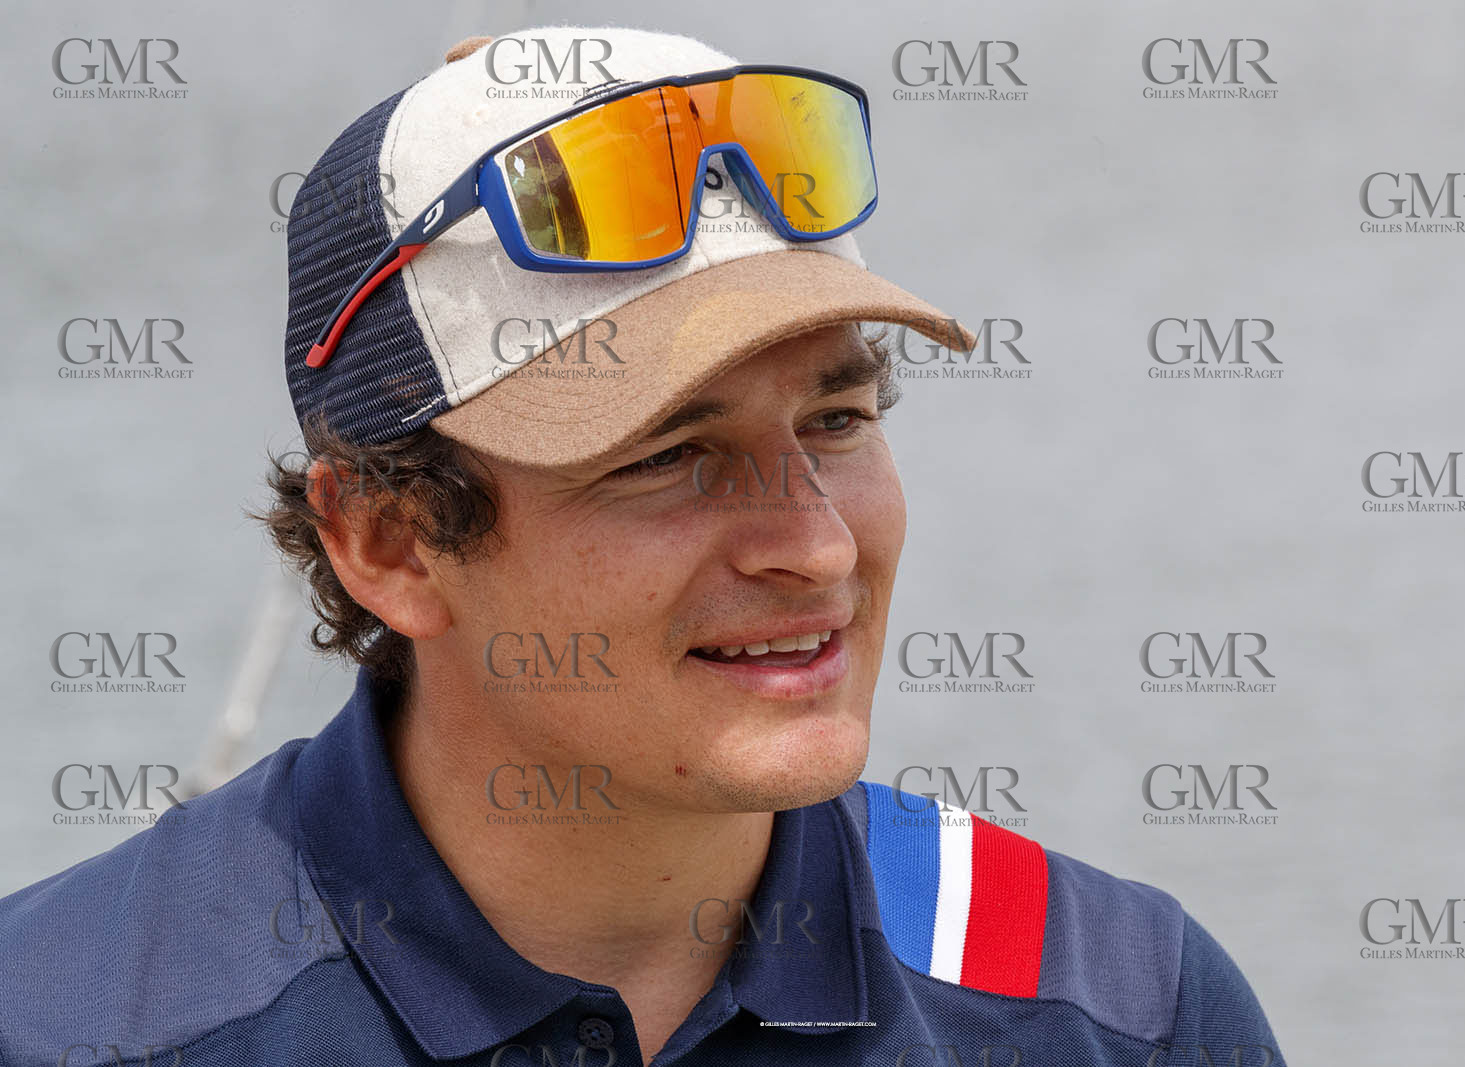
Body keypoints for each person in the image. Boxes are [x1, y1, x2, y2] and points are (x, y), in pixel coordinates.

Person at [0, 26, 1286, 1067]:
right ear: (387, 539)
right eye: (668, 453)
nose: (816, 545)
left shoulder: (1117, 1007)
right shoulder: (73, 1019)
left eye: (836, 418)